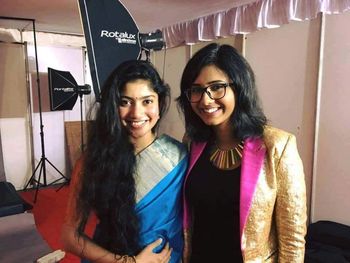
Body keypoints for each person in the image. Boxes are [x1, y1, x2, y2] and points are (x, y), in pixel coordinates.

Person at [176, 43, 307, 263]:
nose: (206, 100)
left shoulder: (278, 146)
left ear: (240, 88)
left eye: (217, 87)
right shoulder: (192, 142)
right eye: (196, 90)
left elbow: (292, 240)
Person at [61, 60, 188, 263]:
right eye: (125, 102)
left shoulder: (180, 157)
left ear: (160, 103)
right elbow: (69, 236)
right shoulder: (93, 161)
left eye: (147, 101)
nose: (136, 113)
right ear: (113, 105)